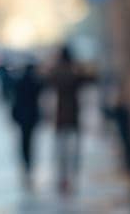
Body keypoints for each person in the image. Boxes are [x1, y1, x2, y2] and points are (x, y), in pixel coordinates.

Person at [47, 45, 92, 196]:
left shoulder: (57, 72)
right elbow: (88, 79)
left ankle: (63, 176)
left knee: (61, 151)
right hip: (73, 115)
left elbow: (48, 80)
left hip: (61, 116)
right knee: (73, 150)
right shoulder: (74, 72)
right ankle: (72, 176)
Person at [9, 61, 43, 190]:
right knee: (30, 141)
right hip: (32, 117)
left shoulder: (20, 82)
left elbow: (15, 99)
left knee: (24, 141)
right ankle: (29, 162)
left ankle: (26, 162)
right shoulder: (35, 83)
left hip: (23, 117)